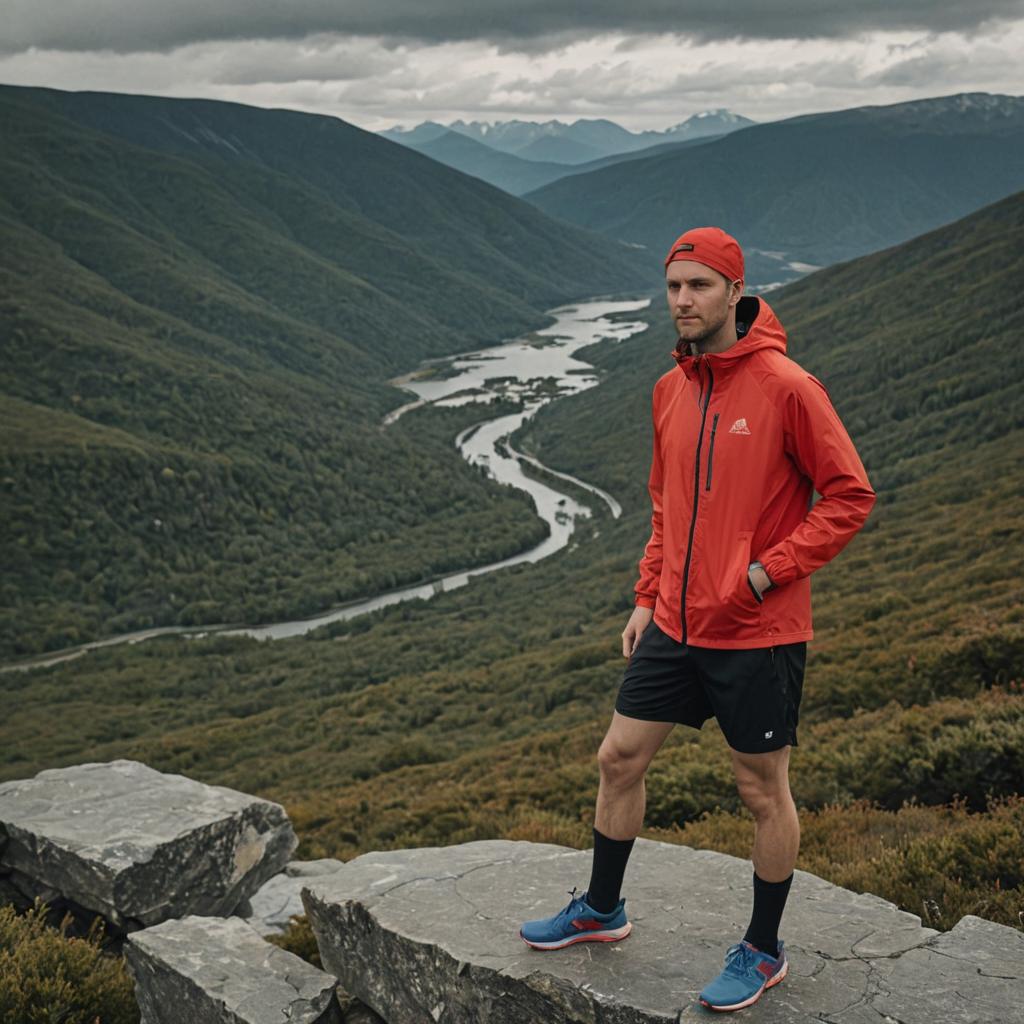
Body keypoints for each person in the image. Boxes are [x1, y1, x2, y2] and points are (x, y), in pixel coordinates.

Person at [519, 226, 876, 1012]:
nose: (682, 301)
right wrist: (648, 596)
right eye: (674, 286)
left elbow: (850, 495)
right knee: (618, 759)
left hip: (758, 632)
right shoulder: (669, 389)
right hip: (675, 624)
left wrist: (764, 572)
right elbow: (663, 506)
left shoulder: (787, 386)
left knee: (760, 789)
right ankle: (602, 910)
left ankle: (763, 949)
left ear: (734, 293)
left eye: (699, 287)